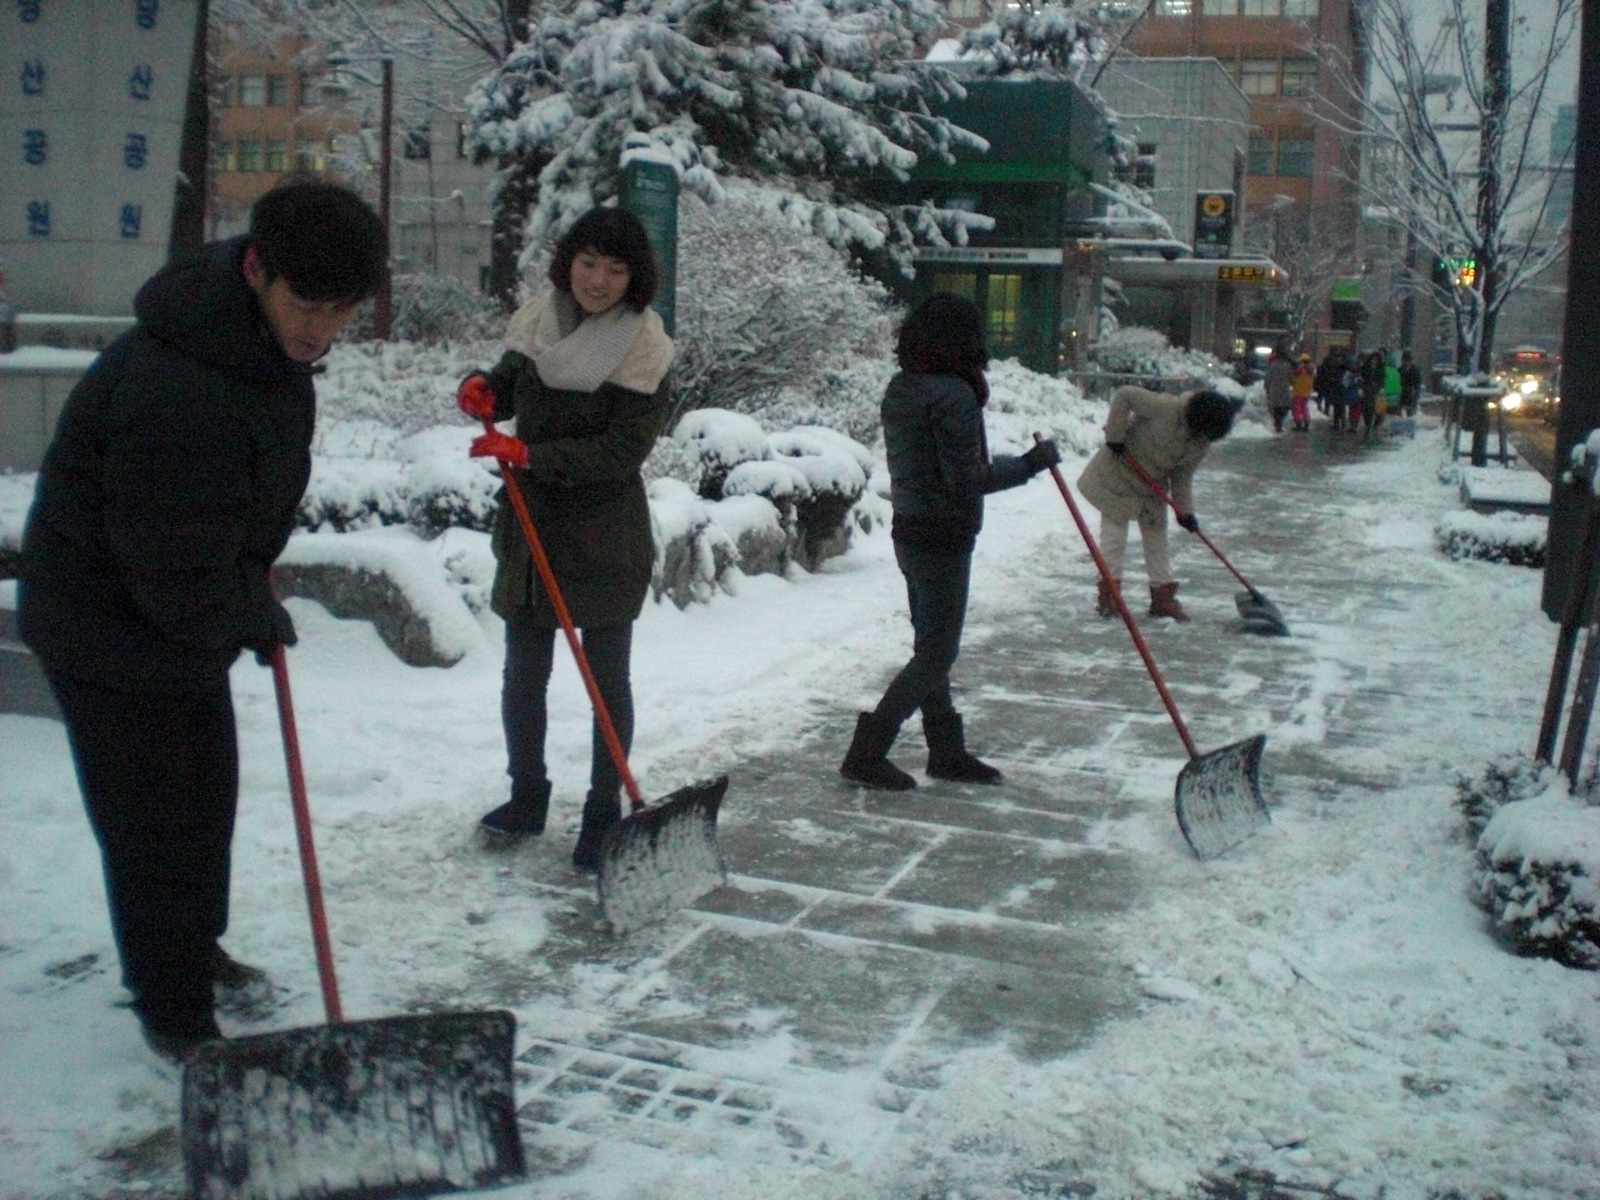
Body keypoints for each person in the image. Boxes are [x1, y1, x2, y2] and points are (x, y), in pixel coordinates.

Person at [17, 177, 389, 1061]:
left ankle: (195, 947)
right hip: (103, 622)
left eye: (340, 311)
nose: (319, 329)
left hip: (173, 610)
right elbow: (167, 553)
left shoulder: (255, 348)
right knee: (153, 816)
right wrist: (240, 611)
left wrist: (242, 596)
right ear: (257, 270)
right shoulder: (178, 384)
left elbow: (225, 515)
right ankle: (172, 1004)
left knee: (205, 790)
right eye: (306, 302)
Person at [458, 207, 673, 869]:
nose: (598, 280)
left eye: (615, 268)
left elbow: (622, 450)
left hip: (604, 533)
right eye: (588, 262)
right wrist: (479, 388)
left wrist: (528, 456)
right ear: (567, 263)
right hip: (530, 526)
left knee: (606, 681)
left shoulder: (644, 350)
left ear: (635, 277)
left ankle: (602, 813)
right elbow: (506, 381)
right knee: (523, 674)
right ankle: (527, 796)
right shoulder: (538, 322)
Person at [839, 294, 1060, 792]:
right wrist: (1028, 465)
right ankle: (868, 750)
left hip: (912, 527)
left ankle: (945, 749)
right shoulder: (953, 394)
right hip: (943, 533)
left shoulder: (904, 387)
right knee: (937, 653)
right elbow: (965, 478)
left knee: (929, 644)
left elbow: (943, 466)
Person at [1077, 385, 1236, 622]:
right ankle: (1110, 596)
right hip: (1119, 472)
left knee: (1157, 535)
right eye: (1203, 432)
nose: (1203, 439)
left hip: (1152, 486)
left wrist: (1186, 512)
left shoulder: (1200, 442)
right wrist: (1115, 436)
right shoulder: (1166, 407)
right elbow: (1125, 395)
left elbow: (1182, 477)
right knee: (1115, 535)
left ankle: (1162, 598)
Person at [1263, 346, 1293, 433]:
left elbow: (1268, 377)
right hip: (1284, 389)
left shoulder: (1273, 365)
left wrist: (1266, 387)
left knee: (1275, 407)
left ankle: (1277, 423)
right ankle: (1279, 423)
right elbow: (1292, 378)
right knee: (1284, 407)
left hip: (1274, 389)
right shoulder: (1288, 365)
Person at [1313, 346, 1344, 421]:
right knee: (1327, 397)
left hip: (1324, 383)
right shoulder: (1334, 364)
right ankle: (1326, 409)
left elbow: (1320, 373)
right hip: (1329, 383)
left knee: (1323, 395)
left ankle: (1321, 406)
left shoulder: (1323, 365)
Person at [1290, 352, 1315, 432]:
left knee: (1296, 409)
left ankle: (1298, 424)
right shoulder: (1311, 370)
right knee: (1304, 408)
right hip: (1306, 393)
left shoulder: (1300, 369)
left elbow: (1293, 376)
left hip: (1298, 392)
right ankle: (1306, 424)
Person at [1398, 349, 1424, 417]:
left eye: (1407, 360)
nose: (1406, 362)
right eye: (1404, 360)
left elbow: (1418, 382)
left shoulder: (1415, 370)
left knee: (1410, 412)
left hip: (1411, 394)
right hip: (1402, 393)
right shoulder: (1400, 370)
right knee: (1399, 412)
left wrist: (1416, 394)